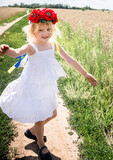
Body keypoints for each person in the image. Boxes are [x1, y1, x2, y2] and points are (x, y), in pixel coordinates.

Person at [0, 8, 98, 160]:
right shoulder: (32, 47)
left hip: (47, 85)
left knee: (53, 113)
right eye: (41, 30)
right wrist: (6, 49)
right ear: (33, 31)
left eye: (48, 29)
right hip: (34, 85)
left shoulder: (54, 44)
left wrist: (85, 74)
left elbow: (70, 60)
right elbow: (16, 52)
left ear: (53, 29)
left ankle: (33, 131)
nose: (45, 33)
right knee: (40, 115)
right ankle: (40, 144)